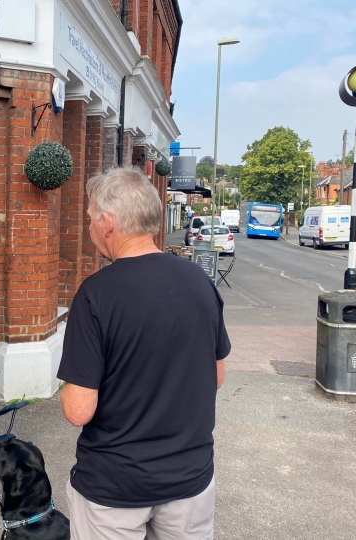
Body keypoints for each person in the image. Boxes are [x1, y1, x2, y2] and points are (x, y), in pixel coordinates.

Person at [58, 168, 230, 540]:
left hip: (116, 486)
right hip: (189, 478)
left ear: (108, 223)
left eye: (90, 218)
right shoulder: (199, 282)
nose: (89, 228)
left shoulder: (96, 294)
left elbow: (78, 410)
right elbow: (216, 376)